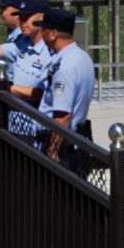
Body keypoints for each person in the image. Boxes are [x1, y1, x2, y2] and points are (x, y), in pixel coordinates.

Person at [31, 8, 95, 158]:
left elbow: (63, 116)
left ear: (53, 33)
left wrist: (52, 152)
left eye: (44, 29)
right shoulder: (82, 57)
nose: (41, 33)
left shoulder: (64, 67)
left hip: (61, 148)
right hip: (76, 143)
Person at [0, 0, 52, 134]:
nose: (22, 22)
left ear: (42, 17)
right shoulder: (22, 44)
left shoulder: (49, 52)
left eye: (27, 17)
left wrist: (5, 87)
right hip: (12, 125)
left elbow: (41, 93)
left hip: (33, 130)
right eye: (20, 18)